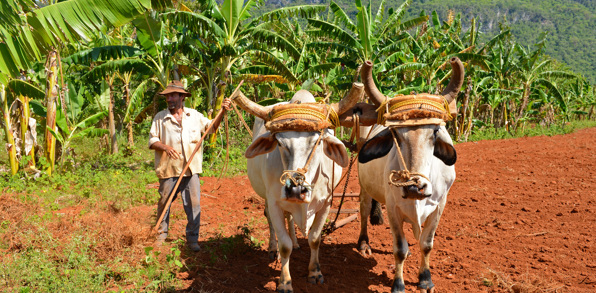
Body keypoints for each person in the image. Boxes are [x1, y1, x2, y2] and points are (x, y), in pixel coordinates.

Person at [149, 80, 231, 252]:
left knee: (194, 205)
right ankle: (161, 234)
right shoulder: (160, 118)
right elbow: (152, 140)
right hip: (169, 168)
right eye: (167, 96)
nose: (169, 99)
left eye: (172, 95)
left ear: (181, 97)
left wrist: (222, 112)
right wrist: (165, 147)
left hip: (191, 169)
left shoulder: (194, 116)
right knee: (164, 202)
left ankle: (192, 239)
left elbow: (211, 127)